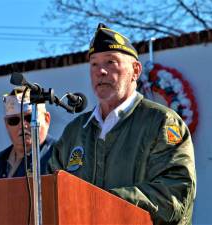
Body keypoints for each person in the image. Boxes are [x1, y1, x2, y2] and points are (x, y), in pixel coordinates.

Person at [48, 23, 196, 225]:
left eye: (111, 62)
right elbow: (50, 193)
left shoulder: (161, 122)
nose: (100, 71)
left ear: (135, 70)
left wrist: (101, 203)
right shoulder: (74, 131)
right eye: (94, 64)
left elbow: (174, 196)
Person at [0, 86, 55, 180]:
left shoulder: (61, 156)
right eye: (13, 120)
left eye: (29, 118)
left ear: (47, 119)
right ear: (6, 124)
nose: (22, 125)